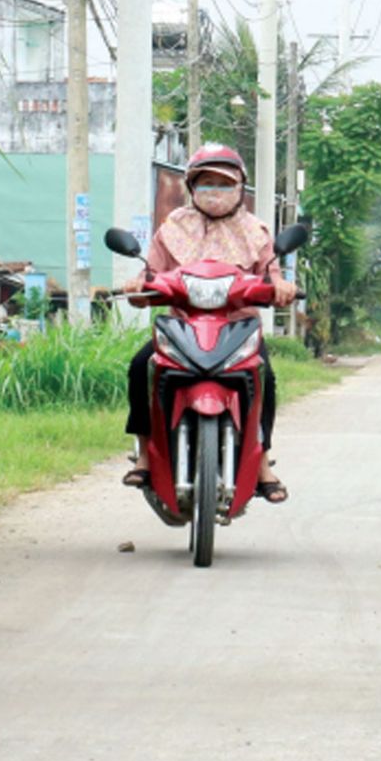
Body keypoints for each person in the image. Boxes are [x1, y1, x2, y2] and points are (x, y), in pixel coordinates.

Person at [119, 144, 297, 502]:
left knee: (266, 377)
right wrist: (138, 285)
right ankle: (144, 453)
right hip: (182, 324)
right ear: (192, 187)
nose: (214, 191)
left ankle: (262, 462)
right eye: (206, 183)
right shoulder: (172, 228)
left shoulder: (257, 232)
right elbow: (150, 273)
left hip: (238, 327)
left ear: (239, 188)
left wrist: (281, 287)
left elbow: (271, 275)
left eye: (223, 183)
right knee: (141, 366)